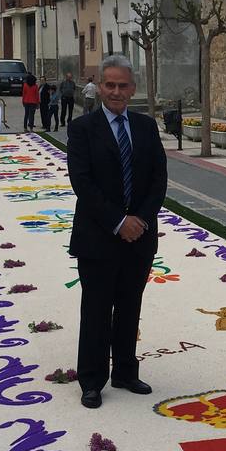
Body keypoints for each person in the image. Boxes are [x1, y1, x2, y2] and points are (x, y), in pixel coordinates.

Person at [65, 54, 167, 409]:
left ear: (132, 88)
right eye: (110, 85)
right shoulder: (82, 129)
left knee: (129, 306)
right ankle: (92, 380)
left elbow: (158, 179)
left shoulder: (146, 126)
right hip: (98, 237)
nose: (116, 92)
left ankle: (125, 371)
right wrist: (118, 221)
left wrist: (139, 219)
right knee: (96, 309)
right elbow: (83, 183)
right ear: (98, 86)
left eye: (123, 85)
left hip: (139, 237)